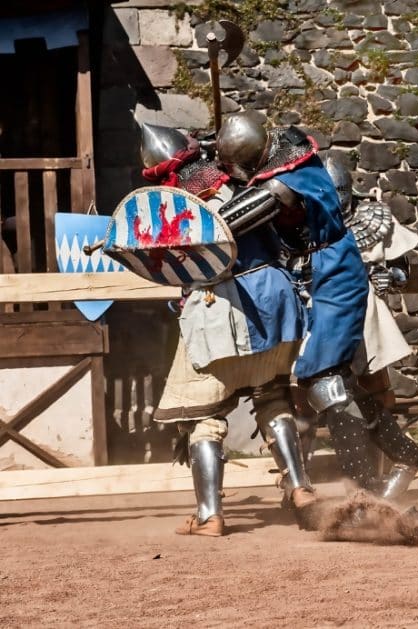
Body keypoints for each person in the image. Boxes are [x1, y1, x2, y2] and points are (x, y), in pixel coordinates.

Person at [139, 122, 315, 537]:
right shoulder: (246, 185)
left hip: (219, 305)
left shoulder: (171, 206)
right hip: (275, 299)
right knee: (272, 396)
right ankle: (299, 488)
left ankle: (210, 515)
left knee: (203, 415)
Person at [213, 112, 371, 493]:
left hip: (334, 268)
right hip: (311, 270)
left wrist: (185, 229)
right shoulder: (286, 157)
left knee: (323, 378)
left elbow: (227, 222)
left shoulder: (289, 176)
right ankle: (321, 483)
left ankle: (368, 481)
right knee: (311, 382)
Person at [316, 153, 418, 501]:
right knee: (311, 402)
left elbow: (403, 270)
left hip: (365, 317)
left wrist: (388, 277)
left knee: (372, 395)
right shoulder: (306, 224)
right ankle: (303, 487)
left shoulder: (372, 219)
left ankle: (375, 485)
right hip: (318, 314)